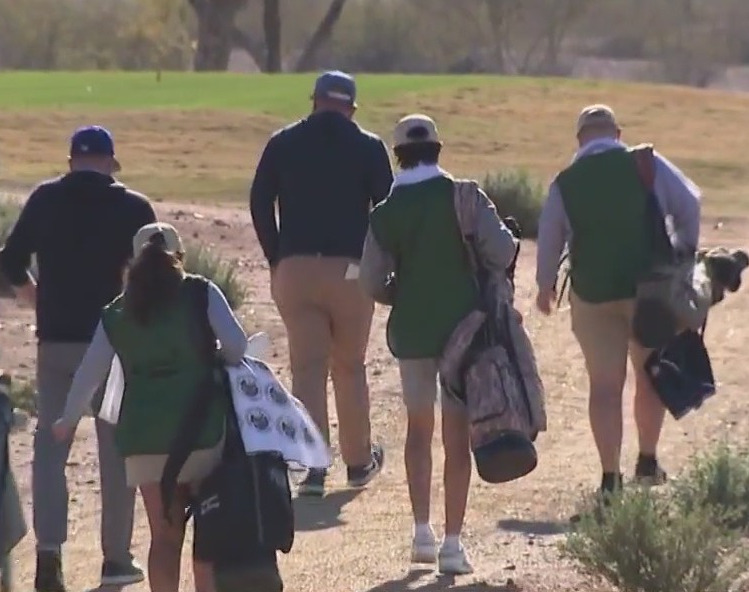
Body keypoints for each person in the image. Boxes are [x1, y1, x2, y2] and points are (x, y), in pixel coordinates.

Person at [0, 125, 156, 591]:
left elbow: (9, 258)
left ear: (71, 161)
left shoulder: (46, 199)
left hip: (57, 341)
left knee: (51, 448)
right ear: (110, 161)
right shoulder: (132, 206)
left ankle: (49, 557)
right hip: (112, 341)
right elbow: (156, 271)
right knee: (115, 451)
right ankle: (115, 559)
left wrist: (36, 297)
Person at [359, 115, 517, 574]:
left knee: (417, 430)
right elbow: (503, 252)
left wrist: (398, 295)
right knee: (455, 437)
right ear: (438, 150)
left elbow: (370, 280)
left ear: (398, 156)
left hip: (411, 333)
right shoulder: (463, 194)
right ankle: (452, 543)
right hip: (463, 334)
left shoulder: (386, 212)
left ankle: (421, 533)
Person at [52, 222, 247, 592]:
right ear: (180, 257)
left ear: (134, 261)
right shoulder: (201, 292)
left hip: (143, 441)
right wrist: (214, 356)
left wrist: (67, 419)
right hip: (202, 432)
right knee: (208, 536)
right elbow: (236, 346)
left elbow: (90, 373)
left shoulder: (117, 312)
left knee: (164, 537)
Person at [535, 104, 702, 505]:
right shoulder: (646, 163)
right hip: (651, 289)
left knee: (605, 386)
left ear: (579, 140)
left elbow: (549, 236)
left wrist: (545, 287)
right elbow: (691, 203)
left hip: (593, 293)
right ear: (618, 134)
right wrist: (683, 256)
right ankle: (646, 461)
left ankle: (610, 479)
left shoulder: (566, 181)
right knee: (649, 374)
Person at [249, 70, 391, 497]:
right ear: (350, 106)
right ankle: (358, 462)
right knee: (349, 366)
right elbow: (386, 209)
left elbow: (259, 201)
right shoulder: (368, 146)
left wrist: (277, 257)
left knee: (307, 368)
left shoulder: (283, 142)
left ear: (314, 101)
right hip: (349, 269)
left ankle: (313, 468)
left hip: (296, 267)